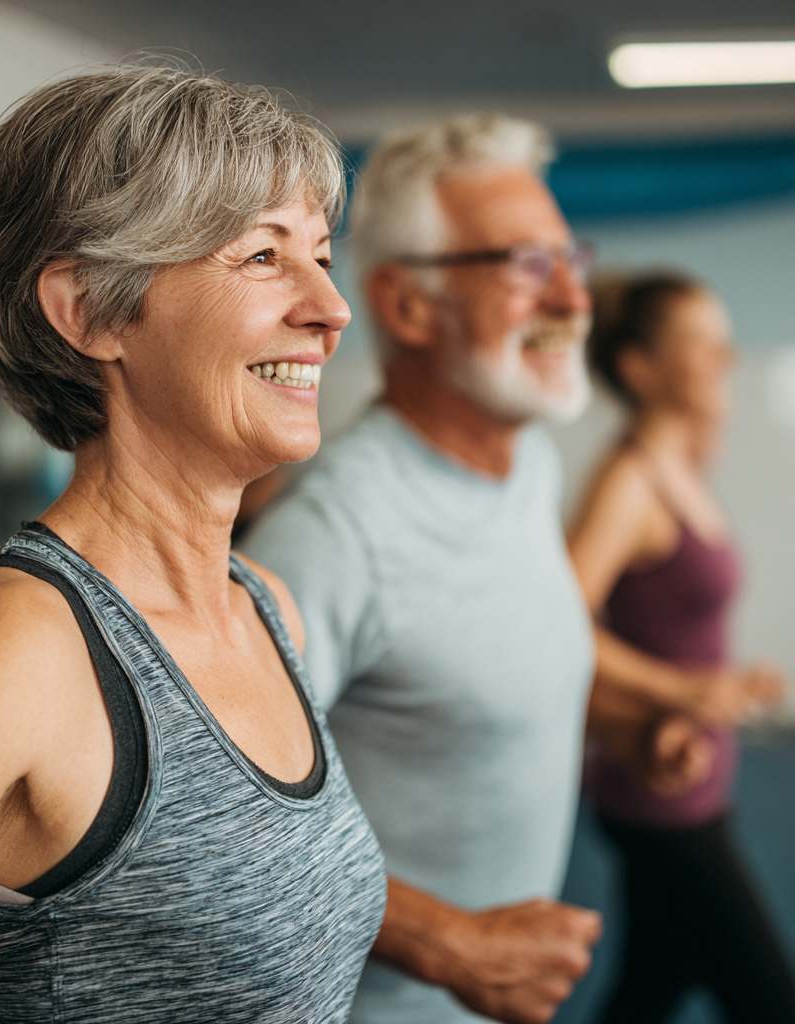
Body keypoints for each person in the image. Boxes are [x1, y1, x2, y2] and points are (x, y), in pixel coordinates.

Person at [0, 66, 387, 1024]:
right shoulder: (10, 657)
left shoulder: (264, 604)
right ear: (92, 310)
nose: (330, 308)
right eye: (263, 256)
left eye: (320, 254)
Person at [242, 115, 602, 1024]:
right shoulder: (338, 529)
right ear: (405, 305)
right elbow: (217, 815)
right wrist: (448, 943)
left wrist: (628, 716)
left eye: (571, 259)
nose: (570, 297)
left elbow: (473, 643)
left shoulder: (527, 466)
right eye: (526, 264)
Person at [569, 272, 795, 1024]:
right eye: (700, 344)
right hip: (661, 789)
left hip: (696, 772)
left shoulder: (682, 465)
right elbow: (559, 621)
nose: (722, 359)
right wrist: (678, 692)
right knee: (766, 999)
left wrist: (713, 686)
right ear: (639, 368)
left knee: (647, 991)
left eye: (723, 342)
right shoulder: (631, 482)